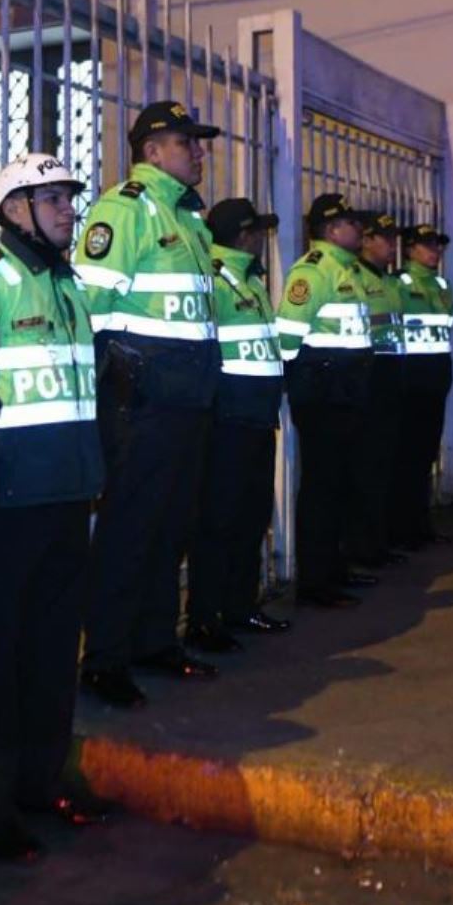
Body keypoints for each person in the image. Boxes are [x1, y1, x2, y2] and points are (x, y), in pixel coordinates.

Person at [0, 154, 114, 865]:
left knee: (51, 654)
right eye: (52, 200)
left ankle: (39, 785)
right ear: (14, 208)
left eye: (68, 200)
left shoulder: (69, 287)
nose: (68, 211)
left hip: (68, 494)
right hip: (8, 505)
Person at [71, 101, 223, 709]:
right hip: (146, 404)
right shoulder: (125, 208)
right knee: (130, 530)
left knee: (170, 526)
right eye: (189, 142)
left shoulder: (189, 219)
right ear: (153, 150)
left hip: (188, 400)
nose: (200, 151)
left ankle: (155, 641)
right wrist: (124, 383)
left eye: (199, 142)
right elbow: (92, 310)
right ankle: (105, 657)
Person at [184, 197, 289, 652]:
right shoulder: (214, 279)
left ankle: (240, 606)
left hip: (256, 418)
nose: (264, 242)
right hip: (228, 420)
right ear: (244, 236)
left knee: (250, 517)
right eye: (259, 233)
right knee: (220, 522)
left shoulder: (248, 278)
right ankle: (206, 619)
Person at [275, 192, 374, 609]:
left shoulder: (345, 269)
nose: (361, 230)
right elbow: (287, 336)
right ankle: (315, 583)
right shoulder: (314, 271)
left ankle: (334, 569)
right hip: (324, 395)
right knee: (322, 487)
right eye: (353, 223)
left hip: (344, 392)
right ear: (332, 229)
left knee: (340, 485)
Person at [343, 211, 406, 573]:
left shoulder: (390, 281)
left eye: (393, 237)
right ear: (366, 240)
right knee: (365, 468)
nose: (391, 244)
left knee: (384, 464)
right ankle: (361, 547)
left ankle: (378, 542)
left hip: (391, 378)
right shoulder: (355, 278)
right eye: (384, 237)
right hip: (368, 377)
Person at [389, 221, 453, 549]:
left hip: (435, 380)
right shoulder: (399, 283)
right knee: (407, 457)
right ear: (411, 249)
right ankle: (403, 528)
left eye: (438, 245)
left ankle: (420, 525)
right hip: (410, 380)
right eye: (428, 245)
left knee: (426, 455)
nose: (435, 251)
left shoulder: (442, 285)